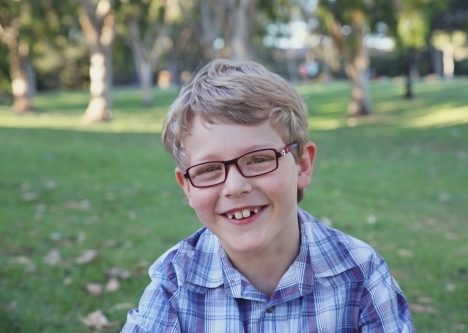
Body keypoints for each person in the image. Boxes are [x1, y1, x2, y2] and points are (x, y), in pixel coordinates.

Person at [121, 59, 416, 332]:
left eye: (259, 159)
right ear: (187, 186)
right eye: (209, 169)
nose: (235, 187)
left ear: (302, 165)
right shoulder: (174, 283)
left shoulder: (361, 276)